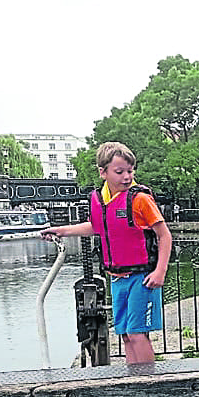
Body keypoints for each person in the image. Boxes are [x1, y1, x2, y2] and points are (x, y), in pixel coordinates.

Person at [40, 142, 172, 364]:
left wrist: (160, 271)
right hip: (117, 277)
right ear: (103, 172)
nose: (127, 177)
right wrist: (62, 230)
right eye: (119, 172)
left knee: (137, 333)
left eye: (130, 171)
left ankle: (151, 385)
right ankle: (133, 382)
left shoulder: (140, 199)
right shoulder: (100, 199)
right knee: (125, 334)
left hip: (142, 276)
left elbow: (164, 235)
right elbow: (96, 227)